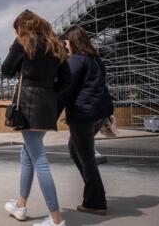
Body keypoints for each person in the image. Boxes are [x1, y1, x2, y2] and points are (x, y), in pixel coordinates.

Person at [1, 10, 71, 226]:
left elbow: (6, 71)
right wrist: (49, 93)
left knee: (39, 160)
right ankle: (20, 206)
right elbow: (66, 80)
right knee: (28, 155)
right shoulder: (55, 44)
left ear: (21, 27)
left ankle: (56, 219)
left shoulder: (23, 41)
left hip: (28, 106)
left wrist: (13, 48)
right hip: (47, 106)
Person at [59, 25, 113, 216]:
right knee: (76, 150)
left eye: (66, 41)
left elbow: (66, 89)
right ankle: (95, 191)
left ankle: (96, 201)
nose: (65, 44)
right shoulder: (96, 60)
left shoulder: (77, 60)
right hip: (98, 113)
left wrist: (51, 114)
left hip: (83, 115)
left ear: (72, 41)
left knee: (85, 157)